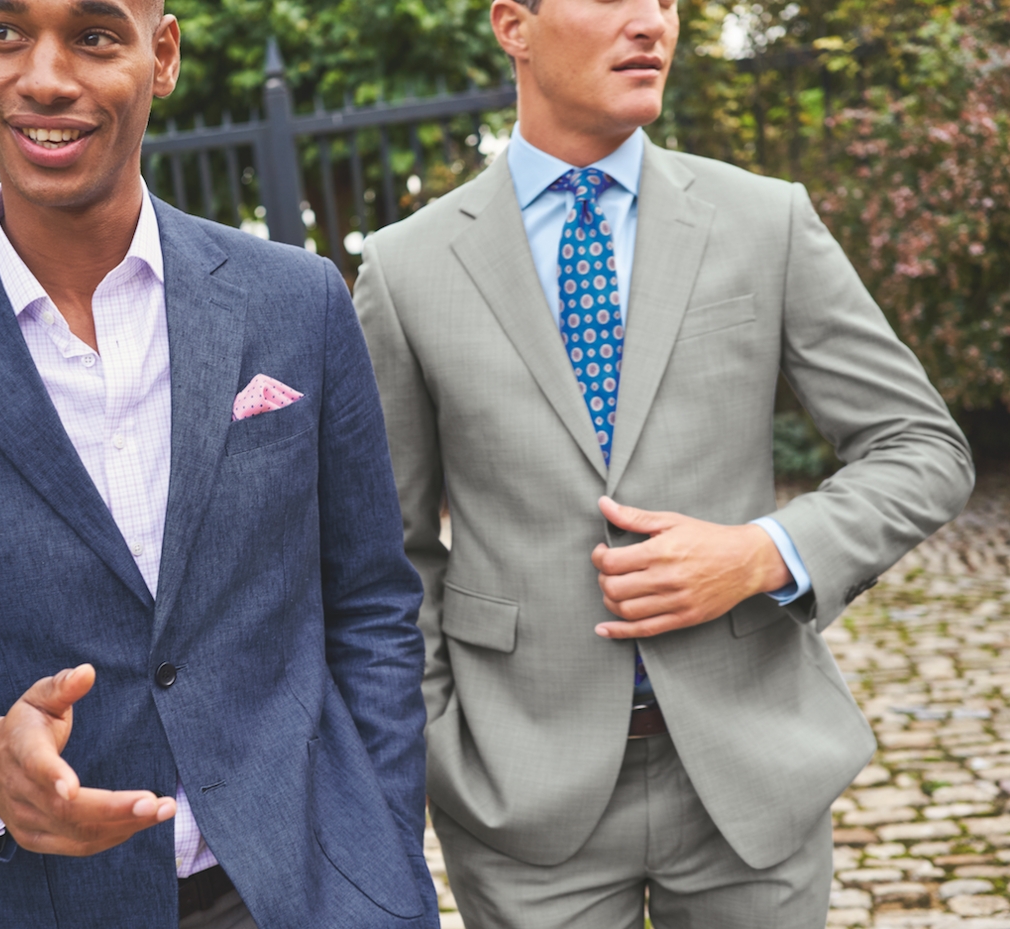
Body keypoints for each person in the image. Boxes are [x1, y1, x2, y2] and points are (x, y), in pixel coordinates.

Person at [0, 1, 438, 926]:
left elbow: (372, 602)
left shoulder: (298, 304)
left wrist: (384, 853)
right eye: (7, 33)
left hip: (313, 895)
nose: (45, 78)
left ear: (162, 56)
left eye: (94, 36)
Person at [352, 0, 974, 926]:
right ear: (513, 25)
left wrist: (764, 553)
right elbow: (386, 552)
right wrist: (446, 738)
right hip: (521, 796)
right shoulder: (407, 270)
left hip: (752, 774)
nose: (651, 22)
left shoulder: (765, 220)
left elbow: (921, 446)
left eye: (668, 1)